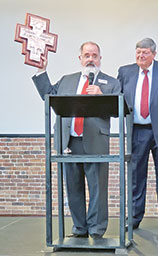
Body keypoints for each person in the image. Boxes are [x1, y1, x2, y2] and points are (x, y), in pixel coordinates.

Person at [32, 41, 120, 239]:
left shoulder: (110, 82)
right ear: (80, 58)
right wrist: (41, 71)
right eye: (87, 55)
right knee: (73, 187)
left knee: (97, 188)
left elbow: (118, 110)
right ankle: (79, 228)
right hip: (69, 142)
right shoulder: (67, 80)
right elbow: (49, 96)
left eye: (94, 55)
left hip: (95, 142)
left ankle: (96, 230)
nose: (91, 59)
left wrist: (102, 95)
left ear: (100, 59)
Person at [117, 38, 158, 232]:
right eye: (138, 52)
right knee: (136, 177)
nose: (140, 55)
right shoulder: (125, 72)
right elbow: (116, 99)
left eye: (145, 52)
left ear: (153, 54)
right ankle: (134, 218)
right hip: (137, 131)